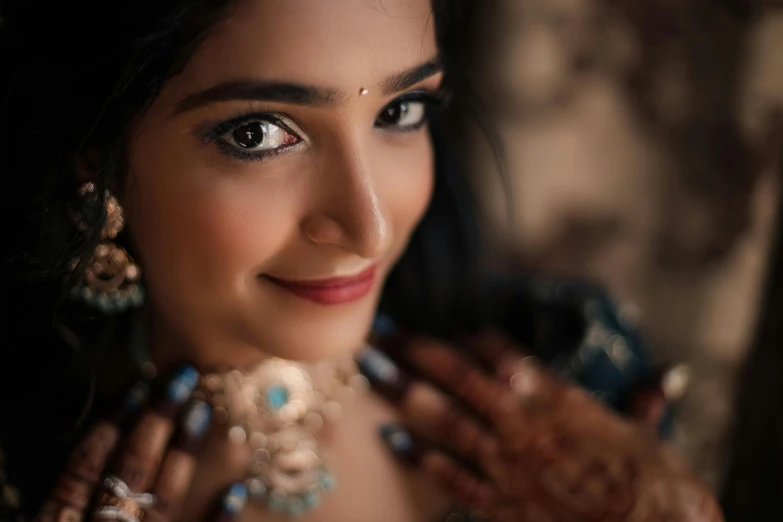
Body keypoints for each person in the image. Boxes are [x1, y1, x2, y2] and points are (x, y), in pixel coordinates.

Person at [0, 1, 720, 521]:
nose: (369, 228)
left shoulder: (572, 376)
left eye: (399, 112)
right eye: (258, 133)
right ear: (98, 162)